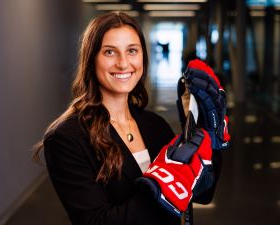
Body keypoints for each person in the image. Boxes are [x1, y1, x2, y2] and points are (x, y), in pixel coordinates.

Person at [33, 11, 221, 225]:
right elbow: (96, 222)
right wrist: (164, 188)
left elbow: (202, 194)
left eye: (132, 50)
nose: (123, 63)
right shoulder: (67, 138)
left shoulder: (154, 125)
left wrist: (210, 136)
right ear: (91, 58)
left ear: (143, 57)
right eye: (110, 52)